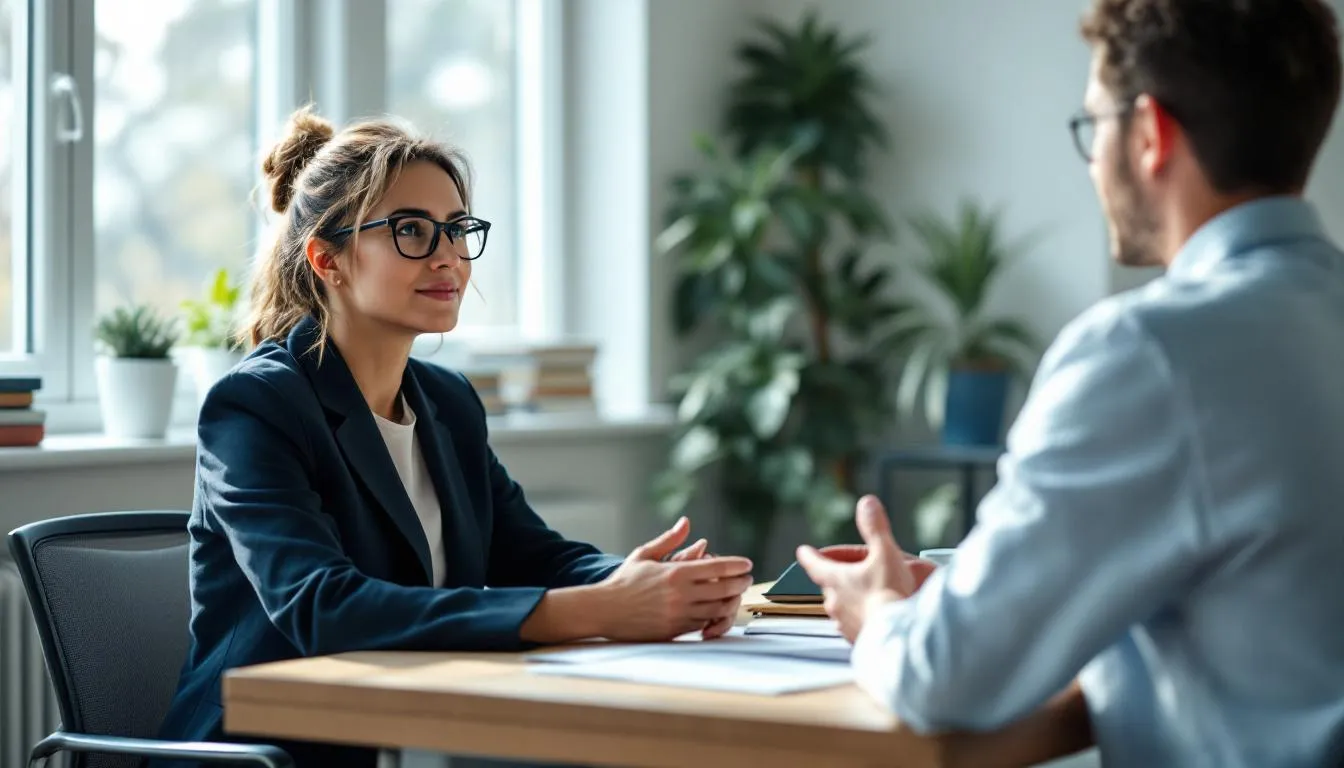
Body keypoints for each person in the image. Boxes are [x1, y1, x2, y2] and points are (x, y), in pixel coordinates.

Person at [797, 0, 1344, 765]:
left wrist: (881, 611)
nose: (1093, 159)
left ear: (1151, 134)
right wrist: (969, 587)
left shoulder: (1150, 352)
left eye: (1095, 125)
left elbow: (942, 676)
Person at [155, 107, 753, 768]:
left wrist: (645, 582)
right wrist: (598, 610)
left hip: (399, 739)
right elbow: (323, 609)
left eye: (458, 230)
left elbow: (532, 554)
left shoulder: (448, 400)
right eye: (411, 231)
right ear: (328, 260)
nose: (449, 257)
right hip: (261, 756)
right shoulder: (257, 406)